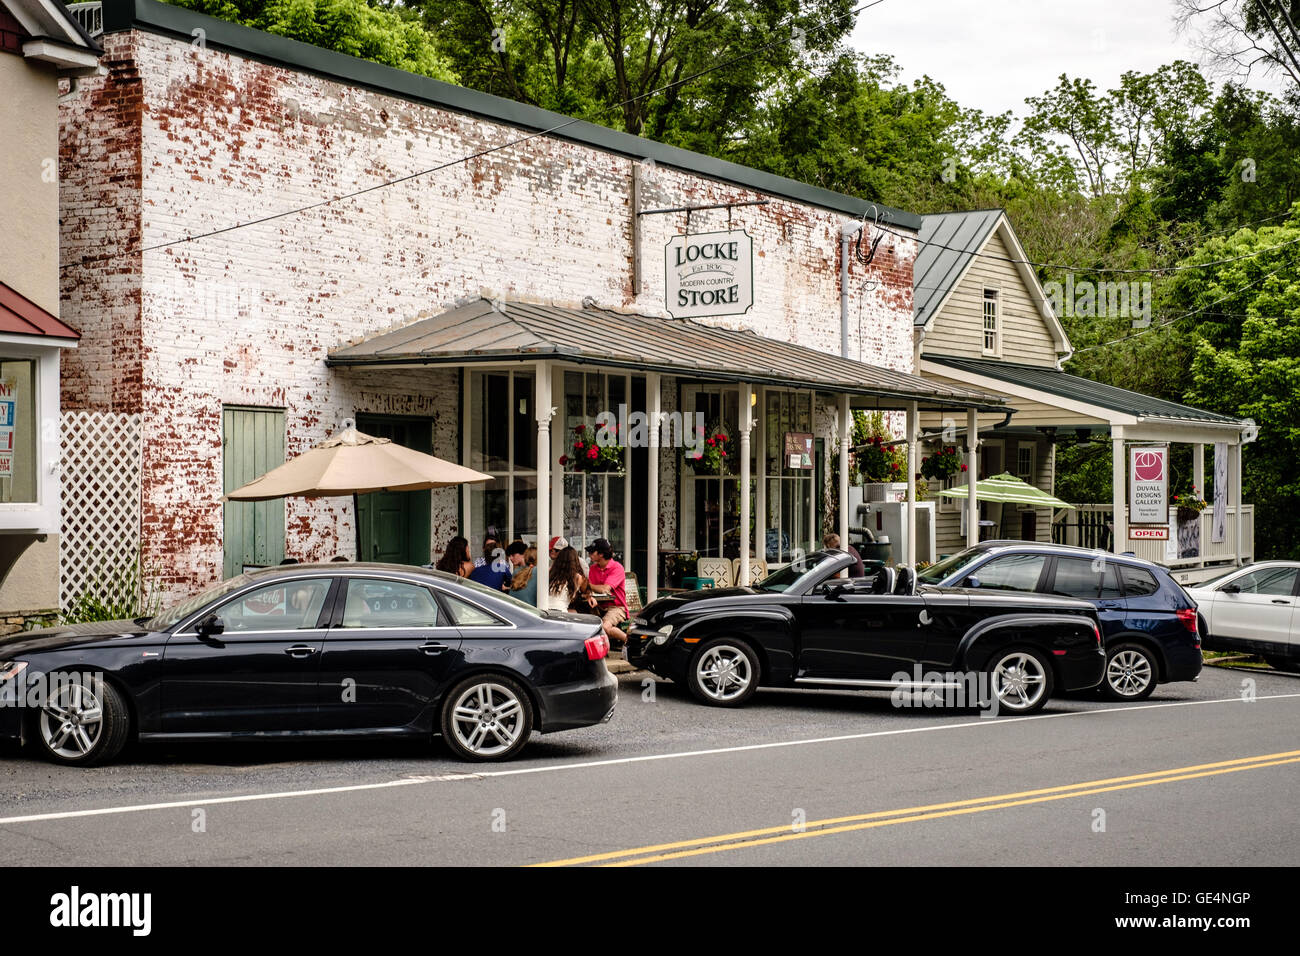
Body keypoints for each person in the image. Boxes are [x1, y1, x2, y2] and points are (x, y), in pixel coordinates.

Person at [585, 537, 628, 646]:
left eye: (591, 552)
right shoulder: (593, 568)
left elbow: (605, 589)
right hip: (598, 606)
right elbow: (591, 590)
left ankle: (629, 642)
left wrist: (584, 583)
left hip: (617, 607)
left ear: (601, 554)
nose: (589, 554)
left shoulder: (617, 568)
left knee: (604, 627)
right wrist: (589, 594)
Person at [545, 546, 588, 612]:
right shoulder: (577, 577)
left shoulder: (550, 572)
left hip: (544, 610)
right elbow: (585, 591)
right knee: (575, 612)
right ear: (575, 560)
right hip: (561, 611)